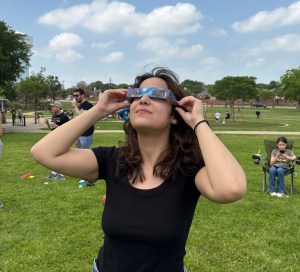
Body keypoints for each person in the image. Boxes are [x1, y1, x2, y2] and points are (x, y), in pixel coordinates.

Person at [31, 67, 247, 272]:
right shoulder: (112, 160)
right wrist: (99, 110)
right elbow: (44, 152)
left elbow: (231, 188)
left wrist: (198, 122)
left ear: (175, 114)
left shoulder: (188, 170)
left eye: (157, 94)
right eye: (137, 94)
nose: (143, 99)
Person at [71, 88, 96, 186]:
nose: (75, 97)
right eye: (74, 96)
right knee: (80, 155)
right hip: (79, 133)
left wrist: (74, 107)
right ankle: (85, 175)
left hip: (86, 134)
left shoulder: (88, 105)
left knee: (86, 156)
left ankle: (92, 177)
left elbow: (83, 116)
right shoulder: (80, 105)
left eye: (77, 95)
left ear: (83, 95)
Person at [44, 101, 70, 180]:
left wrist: (58, 127)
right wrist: (48, 123)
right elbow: (52, 128)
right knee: (52, 155)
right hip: (54, 138)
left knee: (60, 156)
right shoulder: (54, 116)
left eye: (53, 107)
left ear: (58, 107)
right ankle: (53, 173)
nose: (52, 108)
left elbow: (69, 129)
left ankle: (61, 175)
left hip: (62, 139)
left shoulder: (65, 117)